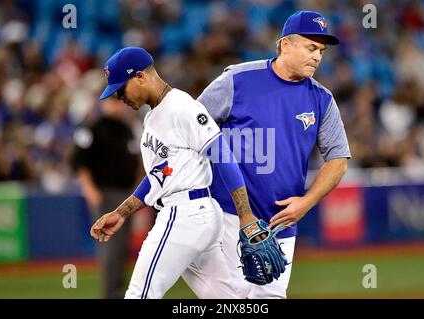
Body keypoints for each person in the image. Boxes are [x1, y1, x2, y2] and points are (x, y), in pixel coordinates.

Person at [197, 10, 351, 299]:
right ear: (285, 45)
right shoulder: (237, 80)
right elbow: (191, 128)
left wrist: (307, 202)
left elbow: (339, 160)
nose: (317, 56)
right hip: (228, 215)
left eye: (321, 50)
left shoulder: (321, 99)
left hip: (281, 222)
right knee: (232, 299)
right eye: (310, 47)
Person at [90, 46, 259, 299]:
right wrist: (121, 212)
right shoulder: (153, 117)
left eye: (120, 89)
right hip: (193, 214)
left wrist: (245, 215)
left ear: (140, 76)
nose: (118, 98)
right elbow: (158, 177)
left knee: (139, 294)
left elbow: (223, 156)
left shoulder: (181, 107)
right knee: (227, 298)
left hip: (184, 214)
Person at [70, 97, 139, 299]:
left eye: (118, 101)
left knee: (123, 248)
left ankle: (118, 292)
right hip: (105, 193)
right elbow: (78, 161)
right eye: (112, 101)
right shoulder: (91, 128)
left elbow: (135, 163)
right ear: (103, 103)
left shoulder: (126, 129)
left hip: (126, 195)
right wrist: (89, 189)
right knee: (111, 247)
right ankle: (111, 294)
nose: (116, 105)